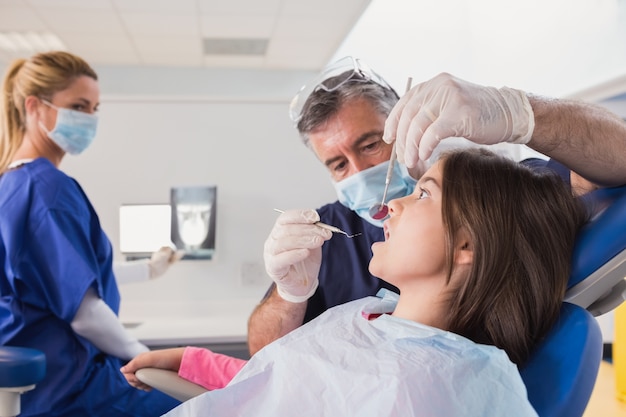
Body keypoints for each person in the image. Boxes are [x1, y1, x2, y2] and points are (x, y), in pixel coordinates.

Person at [121, 148, 588, 416]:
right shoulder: (372, 316)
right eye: (336, 163)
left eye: (423, 192)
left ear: (468, 246)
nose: (395, 206)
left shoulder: (436, 386)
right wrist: (195, 362)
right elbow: (295, 388)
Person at [247, 57, 626, 355]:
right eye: (339, 164)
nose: (360, 172)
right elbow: (266, 360)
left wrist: (520, 113)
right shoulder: (325, 233)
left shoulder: (490, 198)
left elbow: (613, 162)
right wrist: (289, 293)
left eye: (369, 145)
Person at [0, 51, 180, 416]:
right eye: (78, 106)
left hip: (41, 386)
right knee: (207, 403)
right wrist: (143, 355)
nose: (89, 119)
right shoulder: (46, 189)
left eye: (95, 109)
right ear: (35, 107)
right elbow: (83, 311)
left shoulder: (13, 184)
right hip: (72, 388)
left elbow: (57, 282)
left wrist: (147, 270)